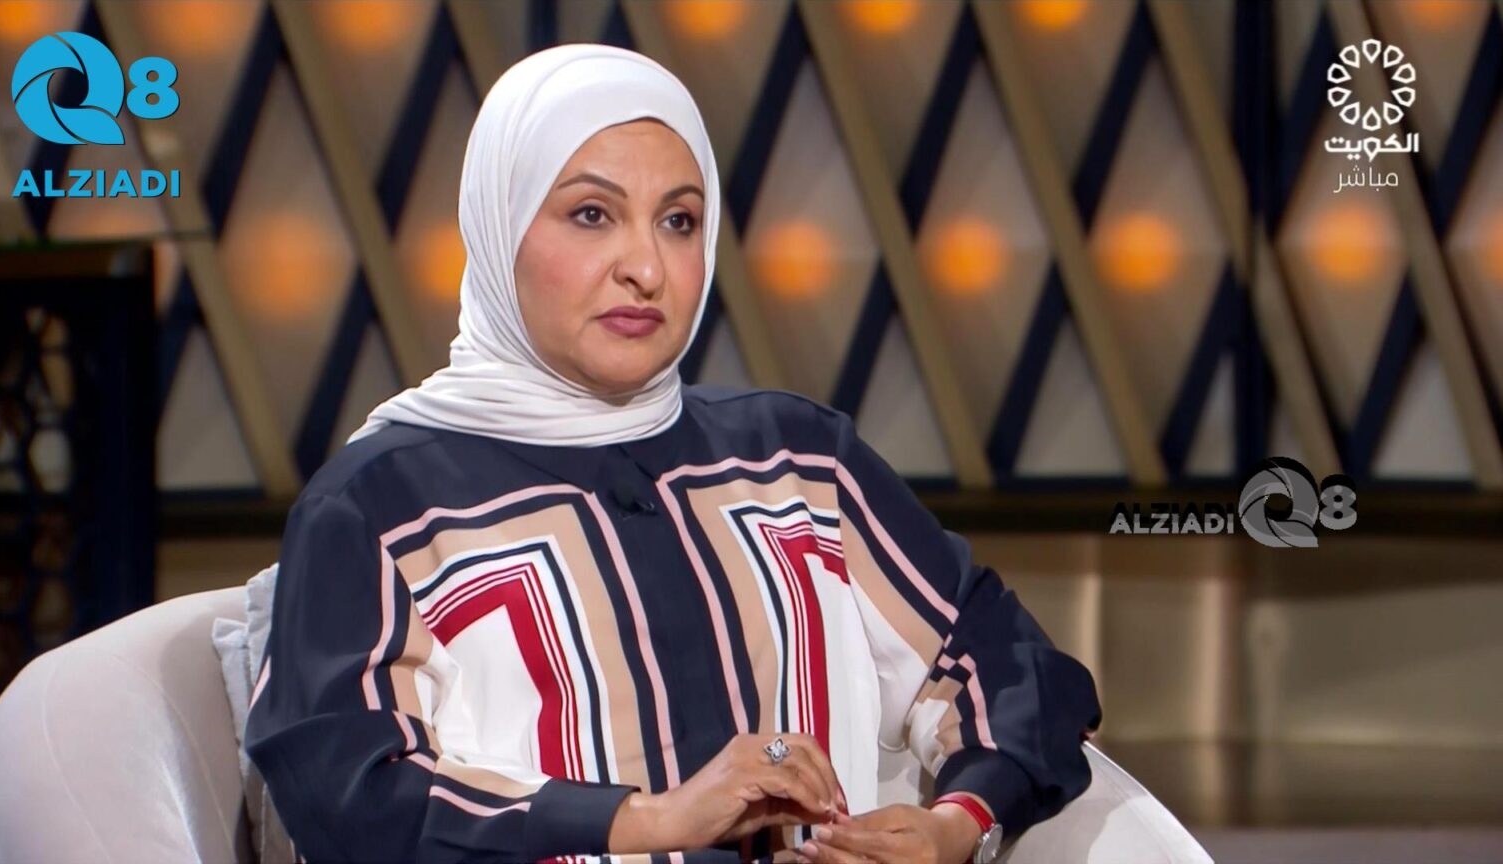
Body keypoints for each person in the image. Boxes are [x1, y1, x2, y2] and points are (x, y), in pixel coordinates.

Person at [243, 43, 1101, 864]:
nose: (647, 269)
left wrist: (955, 826)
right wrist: (649, 819)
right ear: (500, 227)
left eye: (679, 222)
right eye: (591, 215)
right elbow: (350, 799)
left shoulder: (797, 462)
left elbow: (1008, 664)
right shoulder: (381, 505)